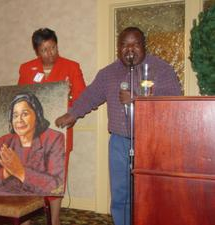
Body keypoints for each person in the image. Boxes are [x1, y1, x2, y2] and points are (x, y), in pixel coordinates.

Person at [55, 27, 182, 225]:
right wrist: (72, 113)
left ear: (144, 46)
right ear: (118, 48)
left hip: (152, 143)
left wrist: (137, 99)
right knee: (121, 194)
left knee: (151, 193)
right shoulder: (108, 74)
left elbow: (174, 102)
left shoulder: (161, 69)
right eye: (124, 44)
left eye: (135, 44)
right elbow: (90, 95)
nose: (129, 49)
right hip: (119, 142)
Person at [17, 28, 86, 225]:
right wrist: (0, 111)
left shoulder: (71, 67)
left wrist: (70, 95)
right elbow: (18, 98)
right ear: (37, 51)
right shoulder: (26, 68)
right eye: (45, 50)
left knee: (54, 182)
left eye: (53, 48)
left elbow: (83, 99)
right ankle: (25, 220)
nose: (50, 54)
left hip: (58, 134)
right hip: (31, 135)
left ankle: (54, 222)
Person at [0, 92, 65, 196]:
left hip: (34, 197)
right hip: (5, 197)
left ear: (37, 115)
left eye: (25, 114)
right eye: (15, 115)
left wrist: (20, 171)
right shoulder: (2, 142)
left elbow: (56, 187)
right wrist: (6, 172)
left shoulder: (53, 138)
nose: (19, 120)